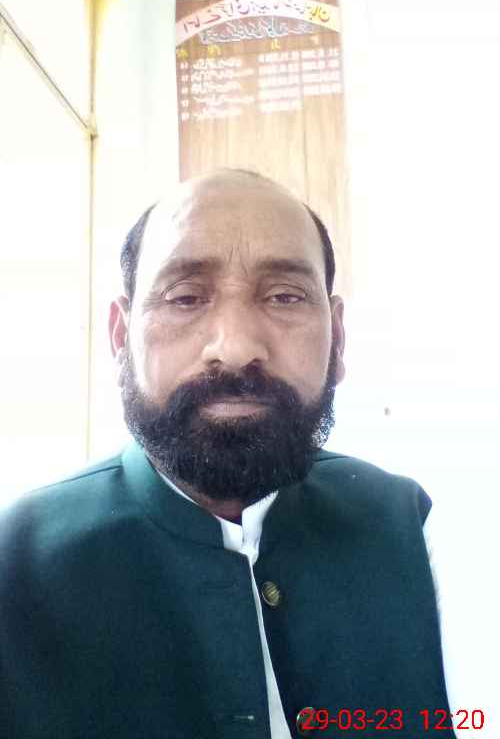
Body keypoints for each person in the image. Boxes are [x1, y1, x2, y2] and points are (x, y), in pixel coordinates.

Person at [0, 169, 451, 738]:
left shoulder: (409, 526)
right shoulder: (15, 565)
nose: (235, 348)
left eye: (285, 296)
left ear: (337, 337)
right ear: (120, 338)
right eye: (185, 297)